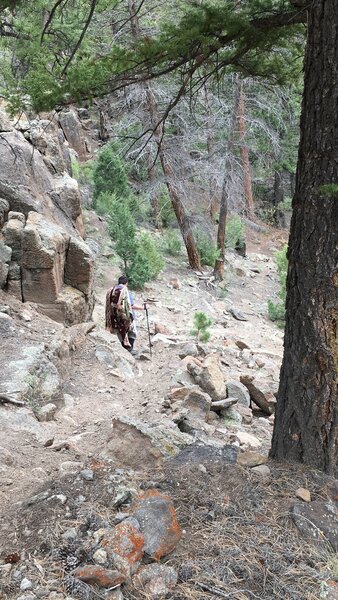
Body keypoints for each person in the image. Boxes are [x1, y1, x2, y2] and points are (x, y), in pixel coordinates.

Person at [105, 275, 146, 352]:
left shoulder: (112, 290)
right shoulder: (125, 291)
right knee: (133, 333)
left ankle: (124, 350)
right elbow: (130, 306)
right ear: (126, 283)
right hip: (125, 317)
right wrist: (143, 308)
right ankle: (129, 350)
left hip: (114, 317)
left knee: (120, 333)